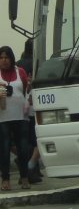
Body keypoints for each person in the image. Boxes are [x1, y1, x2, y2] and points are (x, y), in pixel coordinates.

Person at [0, 45, 31, 190]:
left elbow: (25, 89)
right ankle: (5, 179)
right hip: (3, 117)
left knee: (23, 147)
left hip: (20, 116)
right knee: (4, 148)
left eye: (6, 57)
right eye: (1, 58)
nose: (4, 60)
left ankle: (24, 177)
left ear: (12, 58)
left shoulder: (21, 72)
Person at [16, 39, 42, 184]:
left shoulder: (18, 65)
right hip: (33, 107)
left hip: (21, 108)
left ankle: (28, 167)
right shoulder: (37, 63)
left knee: (24, 140)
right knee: (35, 140)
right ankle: (30, 167)